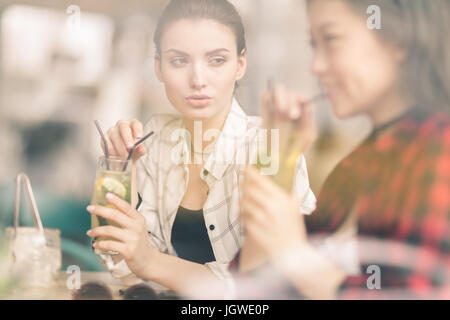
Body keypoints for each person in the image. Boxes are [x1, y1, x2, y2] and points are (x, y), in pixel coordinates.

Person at [86, 0, 316, 299]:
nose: (198, 80)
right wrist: (117, 169)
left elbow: (269, 286)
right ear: (158, 67)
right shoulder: (156, 140)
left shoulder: (268, 146)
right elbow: (125, 265)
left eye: (216, 60)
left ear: (240, 65)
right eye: (179, 61)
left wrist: (150, 261)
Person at [236, 0, 450, 299]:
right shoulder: (358, 165)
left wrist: (296, 255)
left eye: (331, 39)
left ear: (398, 41)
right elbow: (253, 284)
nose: (317, 66)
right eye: (314, 44)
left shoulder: (437, 152)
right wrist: (278, 149)